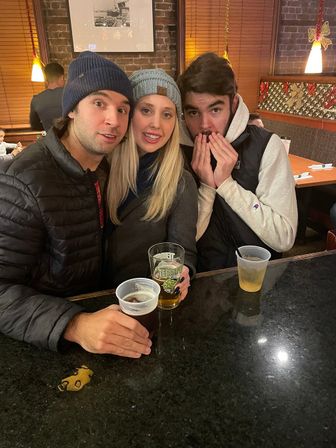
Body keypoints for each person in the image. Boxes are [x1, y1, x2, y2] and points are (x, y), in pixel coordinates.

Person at [0, 51, 153, 359]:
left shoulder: (105, 168)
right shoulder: (25, 181)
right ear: (71, 110)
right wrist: (75, 325)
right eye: (99, 103)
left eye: (123, 109)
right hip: (43, 345)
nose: (113, 119)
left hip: (101, 317)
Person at [178, 52, 298, 271]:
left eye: (215, 109)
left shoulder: (267, 146)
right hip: (198, 283)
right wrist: (206, 187)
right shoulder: (176, 152)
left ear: (233, 103)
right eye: (193, 112)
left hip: (258, 279)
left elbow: (284, 237)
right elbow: (180, 245)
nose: (205, 125)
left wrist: (227, 185)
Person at [105, 69, 198, 302]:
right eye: (146, 110)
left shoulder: (181, 182)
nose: (156, 124)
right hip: (88, 300)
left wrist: (183, 271)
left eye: (167, 114)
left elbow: (182, 251)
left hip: (140, 299)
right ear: (128, 114)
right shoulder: (99, 167)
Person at [29, 62, 65, 131]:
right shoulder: (71, 95)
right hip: (71, 138)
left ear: (46, 79)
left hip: (51, 139)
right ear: (62, 77)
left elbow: (34, 126)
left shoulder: (36, 100)